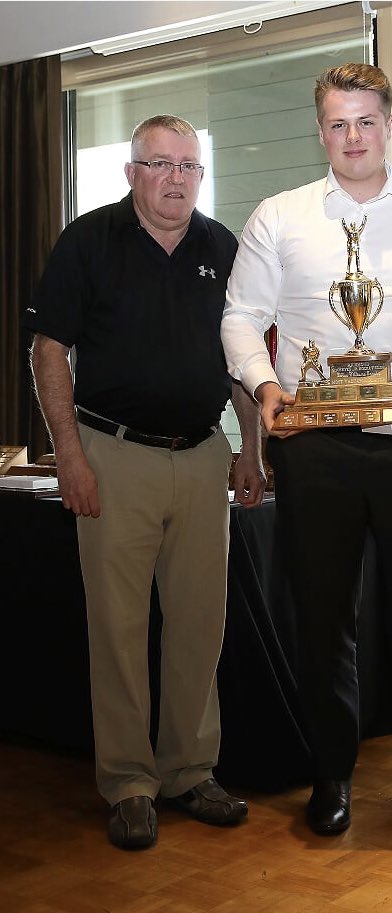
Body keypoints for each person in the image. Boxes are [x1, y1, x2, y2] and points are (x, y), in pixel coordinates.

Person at [221, 63, 392, 835]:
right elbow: (240, 314)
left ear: (387, 123)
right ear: (320, 132)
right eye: (337, 124)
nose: (352, 137)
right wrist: (264, 385)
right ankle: (330, 776)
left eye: (365, 121)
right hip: (317, 452)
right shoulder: (279, 215)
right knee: (322, 621)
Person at [25, 115, 266, 850]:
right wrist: (68, 455)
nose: (176, 178)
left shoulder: (223, 248)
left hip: (201, 458)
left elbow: (244, 356)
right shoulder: (88, 241)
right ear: (132, 173)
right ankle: (129, 782)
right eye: (159, 164)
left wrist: (250, 448)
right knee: (120, 631)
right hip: (112, 455)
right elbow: (48, 349)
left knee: (200, 623)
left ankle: (190, 770)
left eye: (189, 165)